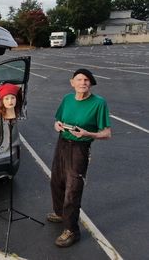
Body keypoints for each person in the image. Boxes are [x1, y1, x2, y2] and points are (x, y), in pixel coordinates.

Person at [48, 68, 112, 247]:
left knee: (72, 189)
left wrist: (88, 133)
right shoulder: (67, 99)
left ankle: (71, 231)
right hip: (62, 143)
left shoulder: (99, 103)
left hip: (79, 148)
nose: (83, 83)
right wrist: (57, 125)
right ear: (72, 82)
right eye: (79, 79)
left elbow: (107, 133)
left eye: (86, 80)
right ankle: (60, 213)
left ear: (90, 83)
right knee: (57, 181)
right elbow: (57, 120)